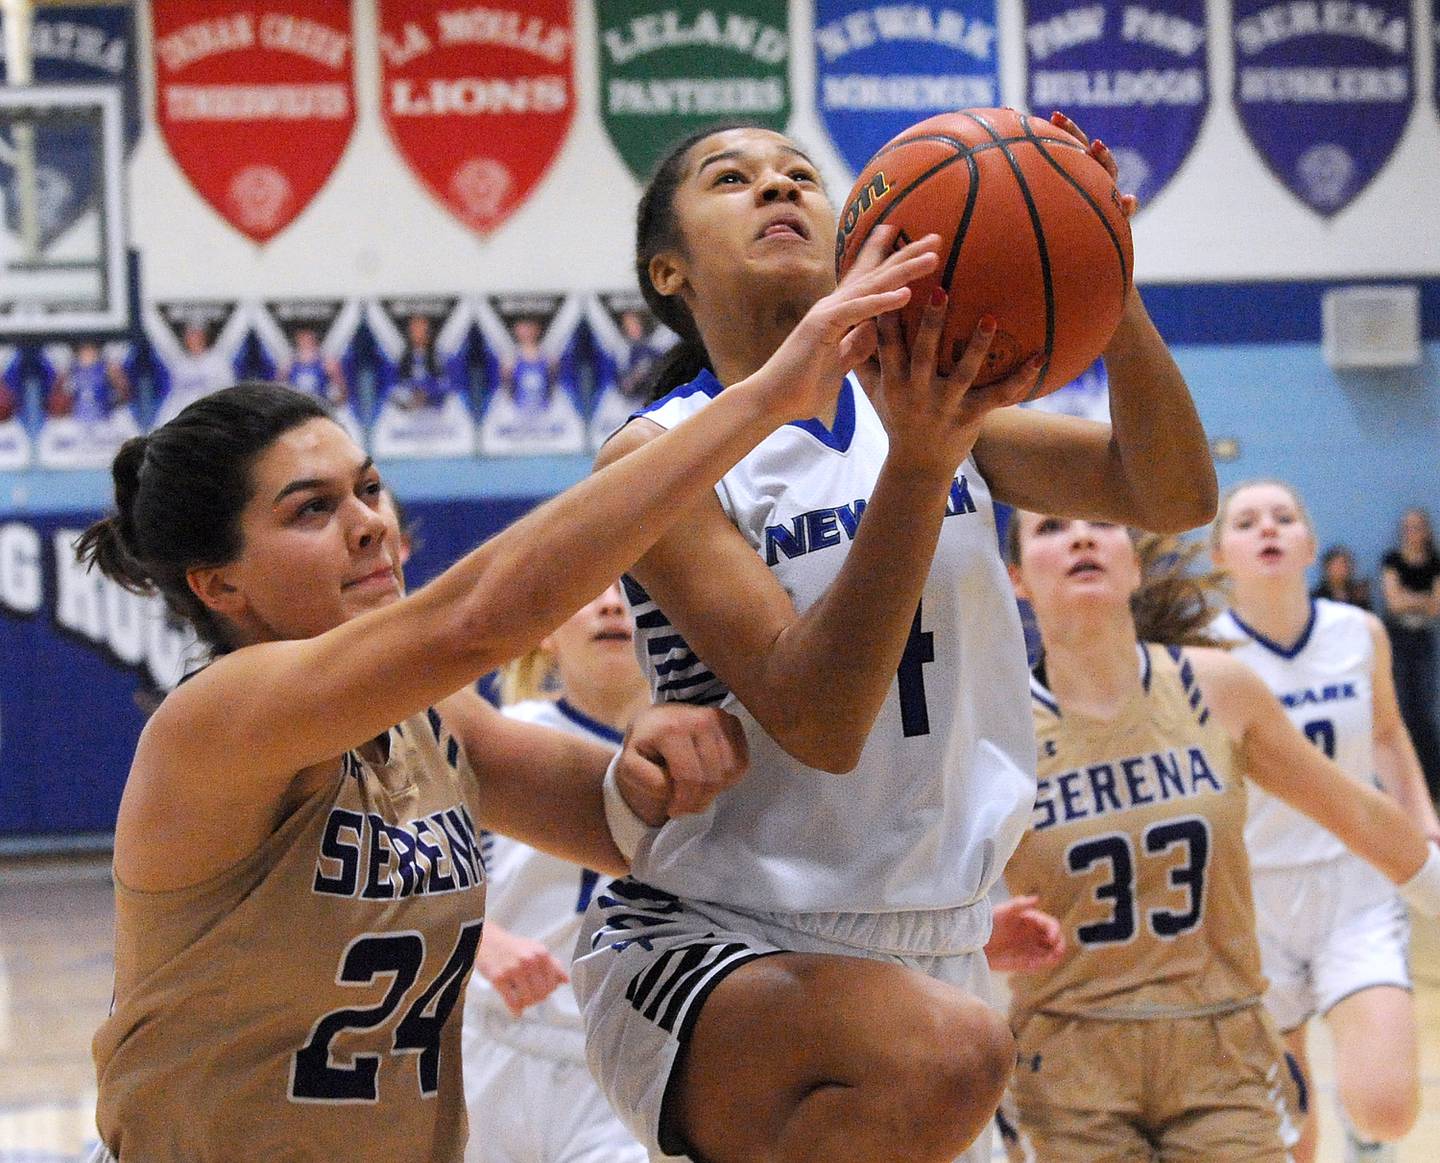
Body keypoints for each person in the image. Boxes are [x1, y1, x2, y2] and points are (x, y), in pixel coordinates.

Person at [79, 232, 935, 1162]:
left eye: (369, 488)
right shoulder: (216, 721)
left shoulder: (433, 720)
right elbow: (476, 622)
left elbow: (622, 824)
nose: (371, 525)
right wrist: (765, 399)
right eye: (311, 509)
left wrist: (649, 759)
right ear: (219, 585)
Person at [569, 115, 1218, 1163]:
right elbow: (819, 718)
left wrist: (1105, 272)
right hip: (733, 930)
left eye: (800, 174)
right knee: (953, 1055)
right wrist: (920, 467)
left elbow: (1174, 491)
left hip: (939, 945)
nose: (777, 188)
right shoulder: (660, 455)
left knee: (953, 1050)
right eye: (732, 179)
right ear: (668, 269)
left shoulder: (934, 406)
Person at [998, 511, 1440, 1161]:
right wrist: (979, 934)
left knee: (1379, 1106)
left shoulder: (1217, 685)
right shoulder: (993, 722)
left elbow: (1355, 810)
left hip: (1220, 1044)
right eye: (1052, 528)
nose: (1082, 537)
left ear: (1136, 563)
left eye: (1102, 523)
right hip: (1071, 1052)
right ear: (1016, 579)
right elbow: (935, 882)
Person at [1211, 481, 1440, 1162]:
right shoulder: (1203, 650)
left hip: (1354, 886)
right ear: (1221, 552)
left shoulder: (1358, 631)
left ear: (1311, 543)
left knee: (1388, 1107)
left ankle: (1359, 1117)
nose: (1268, 528)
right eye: (1246, 521)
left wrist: (1424, 821)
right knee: (1288, 1143)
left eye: (1285, 517)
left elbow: (1390, 733)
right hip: (1251, 899)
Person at [461, 582, 652, 1163]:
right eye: (590, 591)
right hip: (493, 1043)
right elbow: (417, 875)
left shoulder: (710, 751)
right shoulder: (501, 740)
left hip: (621, 1062)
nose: (613, 605)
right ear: (546, 632)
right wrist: (482, 940)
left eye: (632, 592)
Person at [1381, 507, 1440, 803]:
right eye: (1407, 527)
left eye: (1416, 526)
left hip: (1424, 640)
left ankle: (1431, 784)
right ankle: (1402, 787)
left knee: (1425, 713)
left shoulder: (1435, 561)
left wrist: (1409, 599)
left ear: (1426, 530)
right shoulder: (1393, 559)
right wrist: (1423, 599)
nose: (1411, 532)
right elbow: (1393, 604)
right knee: (1400, 709)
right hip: (1399, 638)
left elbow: (1436, 608)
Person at [1313, 543, 1372, 609]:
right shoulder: (1317, 597)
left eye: (1345, 564)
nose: (1342, 569)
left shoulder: (1357, 594)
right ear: (1327, 567)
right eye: (1337, 565)